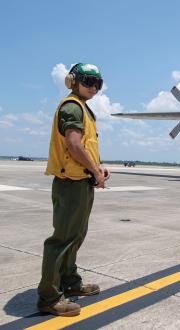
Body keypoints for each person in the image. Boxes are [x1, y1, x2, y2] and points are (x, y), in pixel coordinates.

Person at [38, 63, 110, 316]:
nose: (93, 87)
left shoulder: (82, 108)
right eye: (88, 81)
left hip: (81, 182)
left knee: (75, 237)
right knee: (62, 240)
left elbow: (85, 146)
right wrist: (94, 170)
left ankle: (69, 283)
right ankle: (49, 297)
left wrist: (97, 168)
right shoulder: (72, 106)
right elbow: (74, 145)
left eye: (98, 83)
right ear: (73, 81)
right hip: (70, 184)